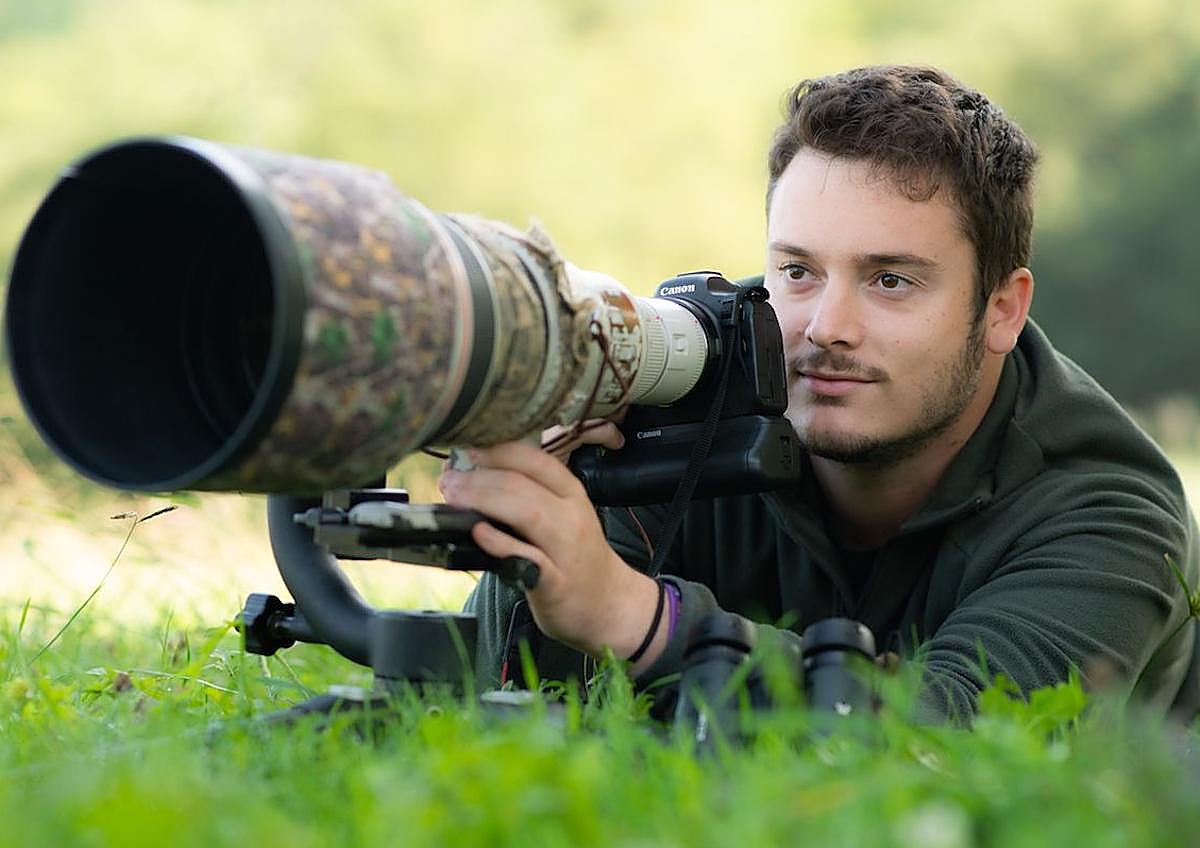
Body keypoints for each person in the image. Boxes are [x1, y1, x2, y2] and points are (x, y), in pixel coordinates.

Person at [438, 65, 1200, 723]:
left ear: (1002, 308)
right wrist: (544, 500)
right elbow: (488, 706)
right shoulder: (682, 400)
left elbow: (952, 746)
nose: (825, 328)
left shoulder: (1110, 513)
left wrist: (635, 617)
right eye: (798, 272)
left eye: (891, 280)